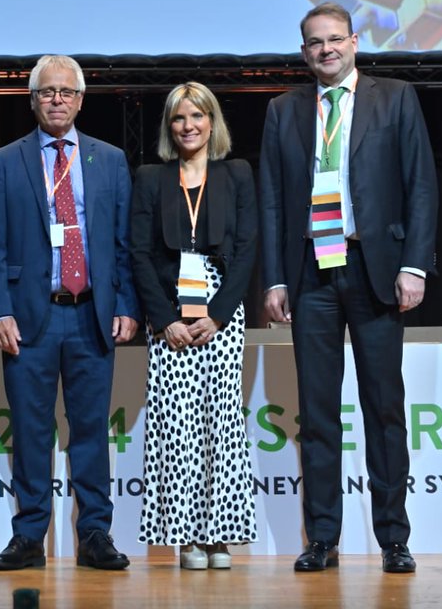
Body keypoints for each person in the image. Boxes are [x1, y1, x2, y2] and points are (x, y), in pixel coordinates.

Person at [260, 3, 437, 575]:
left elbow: (422, 187)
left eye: (335, 39)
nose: (326, 49)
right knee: (316, 414)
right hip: (311, 272)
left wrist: (414, 266)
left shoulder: (395, 98)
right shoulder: (282, 111)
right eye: (315, 42)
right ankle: (323, 539)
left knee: (384, 408)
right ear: (303, 50)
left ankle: (393, 538)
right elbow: (271, 201)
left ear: (355, 42)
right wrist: (277, 277)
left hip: (375, 267)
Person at [0, 54, 140, 571]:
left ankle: (94, 533)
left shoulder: (109, 159)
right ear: (32, 100)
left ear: (80, 99)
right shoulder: (7, 160)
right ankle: (29, 537)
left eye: (66, 92)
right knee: (30, 429)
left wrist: (127, 303)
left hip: (92, 314)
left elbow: (123, 241)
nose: (56, 100)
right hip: (30, 319)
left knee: (91, 429)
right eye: (46, 92)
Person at [130, 82, 258, 570]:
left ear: (212, 122)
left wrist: (219, 314)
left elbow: (247, 249)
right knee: (176, 426)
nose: (188, 126)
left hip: (220, 314)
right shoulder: (150, 177)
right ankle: (184, 535)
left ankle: (218, 535)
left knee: (220, 425)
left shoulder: (238, 174)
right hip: (167, 316)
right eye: (179, 118)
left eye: (197, 117)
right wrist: (163, 320)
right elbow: (138, 252)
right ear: (169, 125)